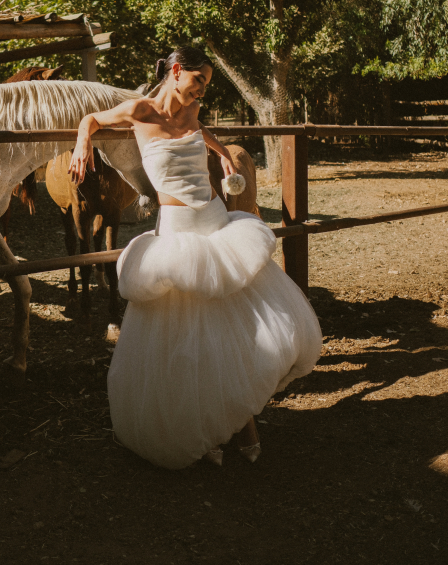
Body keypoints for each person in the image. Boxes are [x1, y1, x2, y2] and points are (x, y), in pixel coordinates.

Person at [68, 47, 322, 469]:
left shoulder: (192, 112)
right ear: (176, 72)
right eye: (198, 80)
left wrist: (222, 153)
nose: (202, 90)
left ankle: (241, 422)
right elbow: (91, 120)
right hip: (178, 234)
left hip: (216, 223)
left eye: (206, 83)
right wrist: (82, 145)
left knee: (234, 329)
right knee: (189, 341)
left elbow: (198, 131)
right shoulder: (139, 111)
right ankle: (203, 427)